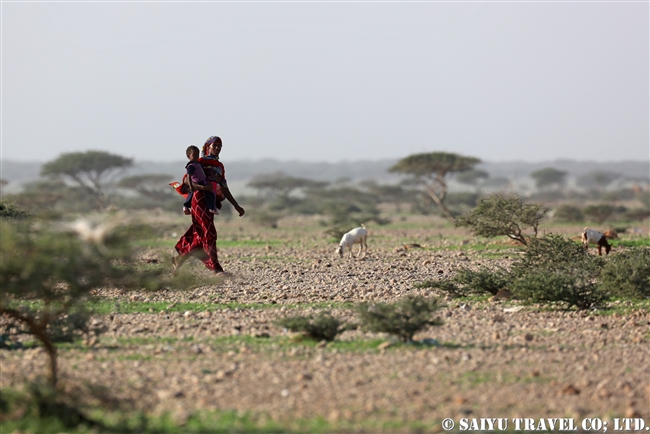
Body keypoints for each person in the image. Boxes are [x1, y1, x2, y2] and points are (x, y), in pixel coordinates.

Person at [172, 136, 245, 276]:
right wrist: (203, 188)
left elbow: (223, 187)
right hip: (199, 199)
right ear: (207, 147)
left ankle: (179, 257)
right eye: (214, 145)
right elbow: (187, 181)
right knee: (209, 232)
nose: (217, 148)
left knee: (199, 232)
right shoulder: (200, 162)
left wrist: (236, 205)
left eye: (219, 146)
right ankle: (216, 269)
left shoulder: (220, 166)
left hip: (211, 202)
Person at [183, 145, 218, 215]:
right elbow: (188, 176)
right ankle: (211, 207)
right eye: (194, 154)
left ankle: (186, 206)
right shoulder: (191, 166)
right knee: (209, 193)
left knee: (193, 194)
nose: (196, 156)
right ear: (188, 156)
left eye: (197, 154)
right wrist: (191, 185)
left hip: (202, 181)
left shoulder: (198, 164)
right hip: (198, 181)